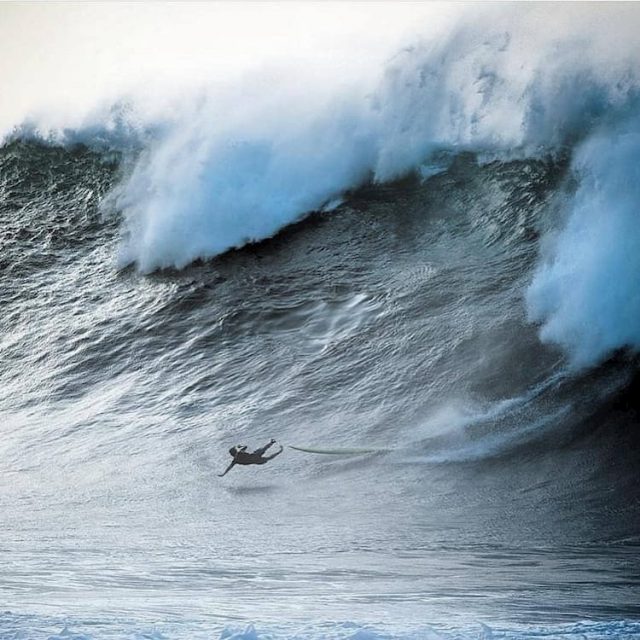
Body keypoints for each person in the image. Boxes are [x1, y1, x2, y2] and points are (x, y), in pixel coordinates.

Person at [217, 439, 284, 477]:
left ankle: (276, 447)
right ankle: (276, 447)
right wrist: (239, 446)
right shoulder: (238, 455)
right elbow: (245, 447)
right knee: (266, 453)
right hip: (257, 459)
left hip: (255, 458)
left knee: (264, 452)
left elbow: (229, 468)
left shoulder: (235, 460)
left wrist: (223, 474)